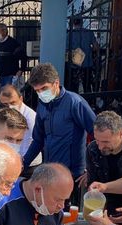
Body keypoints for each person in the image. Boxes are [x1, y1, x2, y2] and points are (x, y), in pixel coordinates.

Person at [23, 63, 95, 206]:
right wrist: (23, 163)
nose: (41, 93)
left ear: (56, 83)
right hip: (49, 172)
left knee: (67, 216)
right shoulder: (42, 105)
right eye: (37, 90)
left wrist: (91, 171)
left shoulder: (75, 102)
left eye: (44, 88)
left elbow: (98, 135)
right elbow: (38, 140)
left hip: (72, 174)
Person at [0, 84, 41, 171]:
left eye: (13, 103)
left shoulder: (31, 117)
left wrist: (24, 162)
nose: (10, 107)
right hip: (12, 162)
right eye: (5, 104)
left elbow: (37, 141)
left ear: (21, 99)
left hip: (29, 165)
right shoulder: (3, 114)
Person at [66, 17, 99, 93]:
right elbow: (96, 47)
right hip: (87, 63)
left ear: (73, 24)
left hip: (74, 64)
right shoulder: (89, 33)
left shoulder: (70, 34)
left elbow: (67, 49)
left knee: (74, 87)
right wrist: (89, 50)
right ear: (82, 22)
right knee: (87, 86)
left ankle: (75, 103)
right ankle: (89, 102)